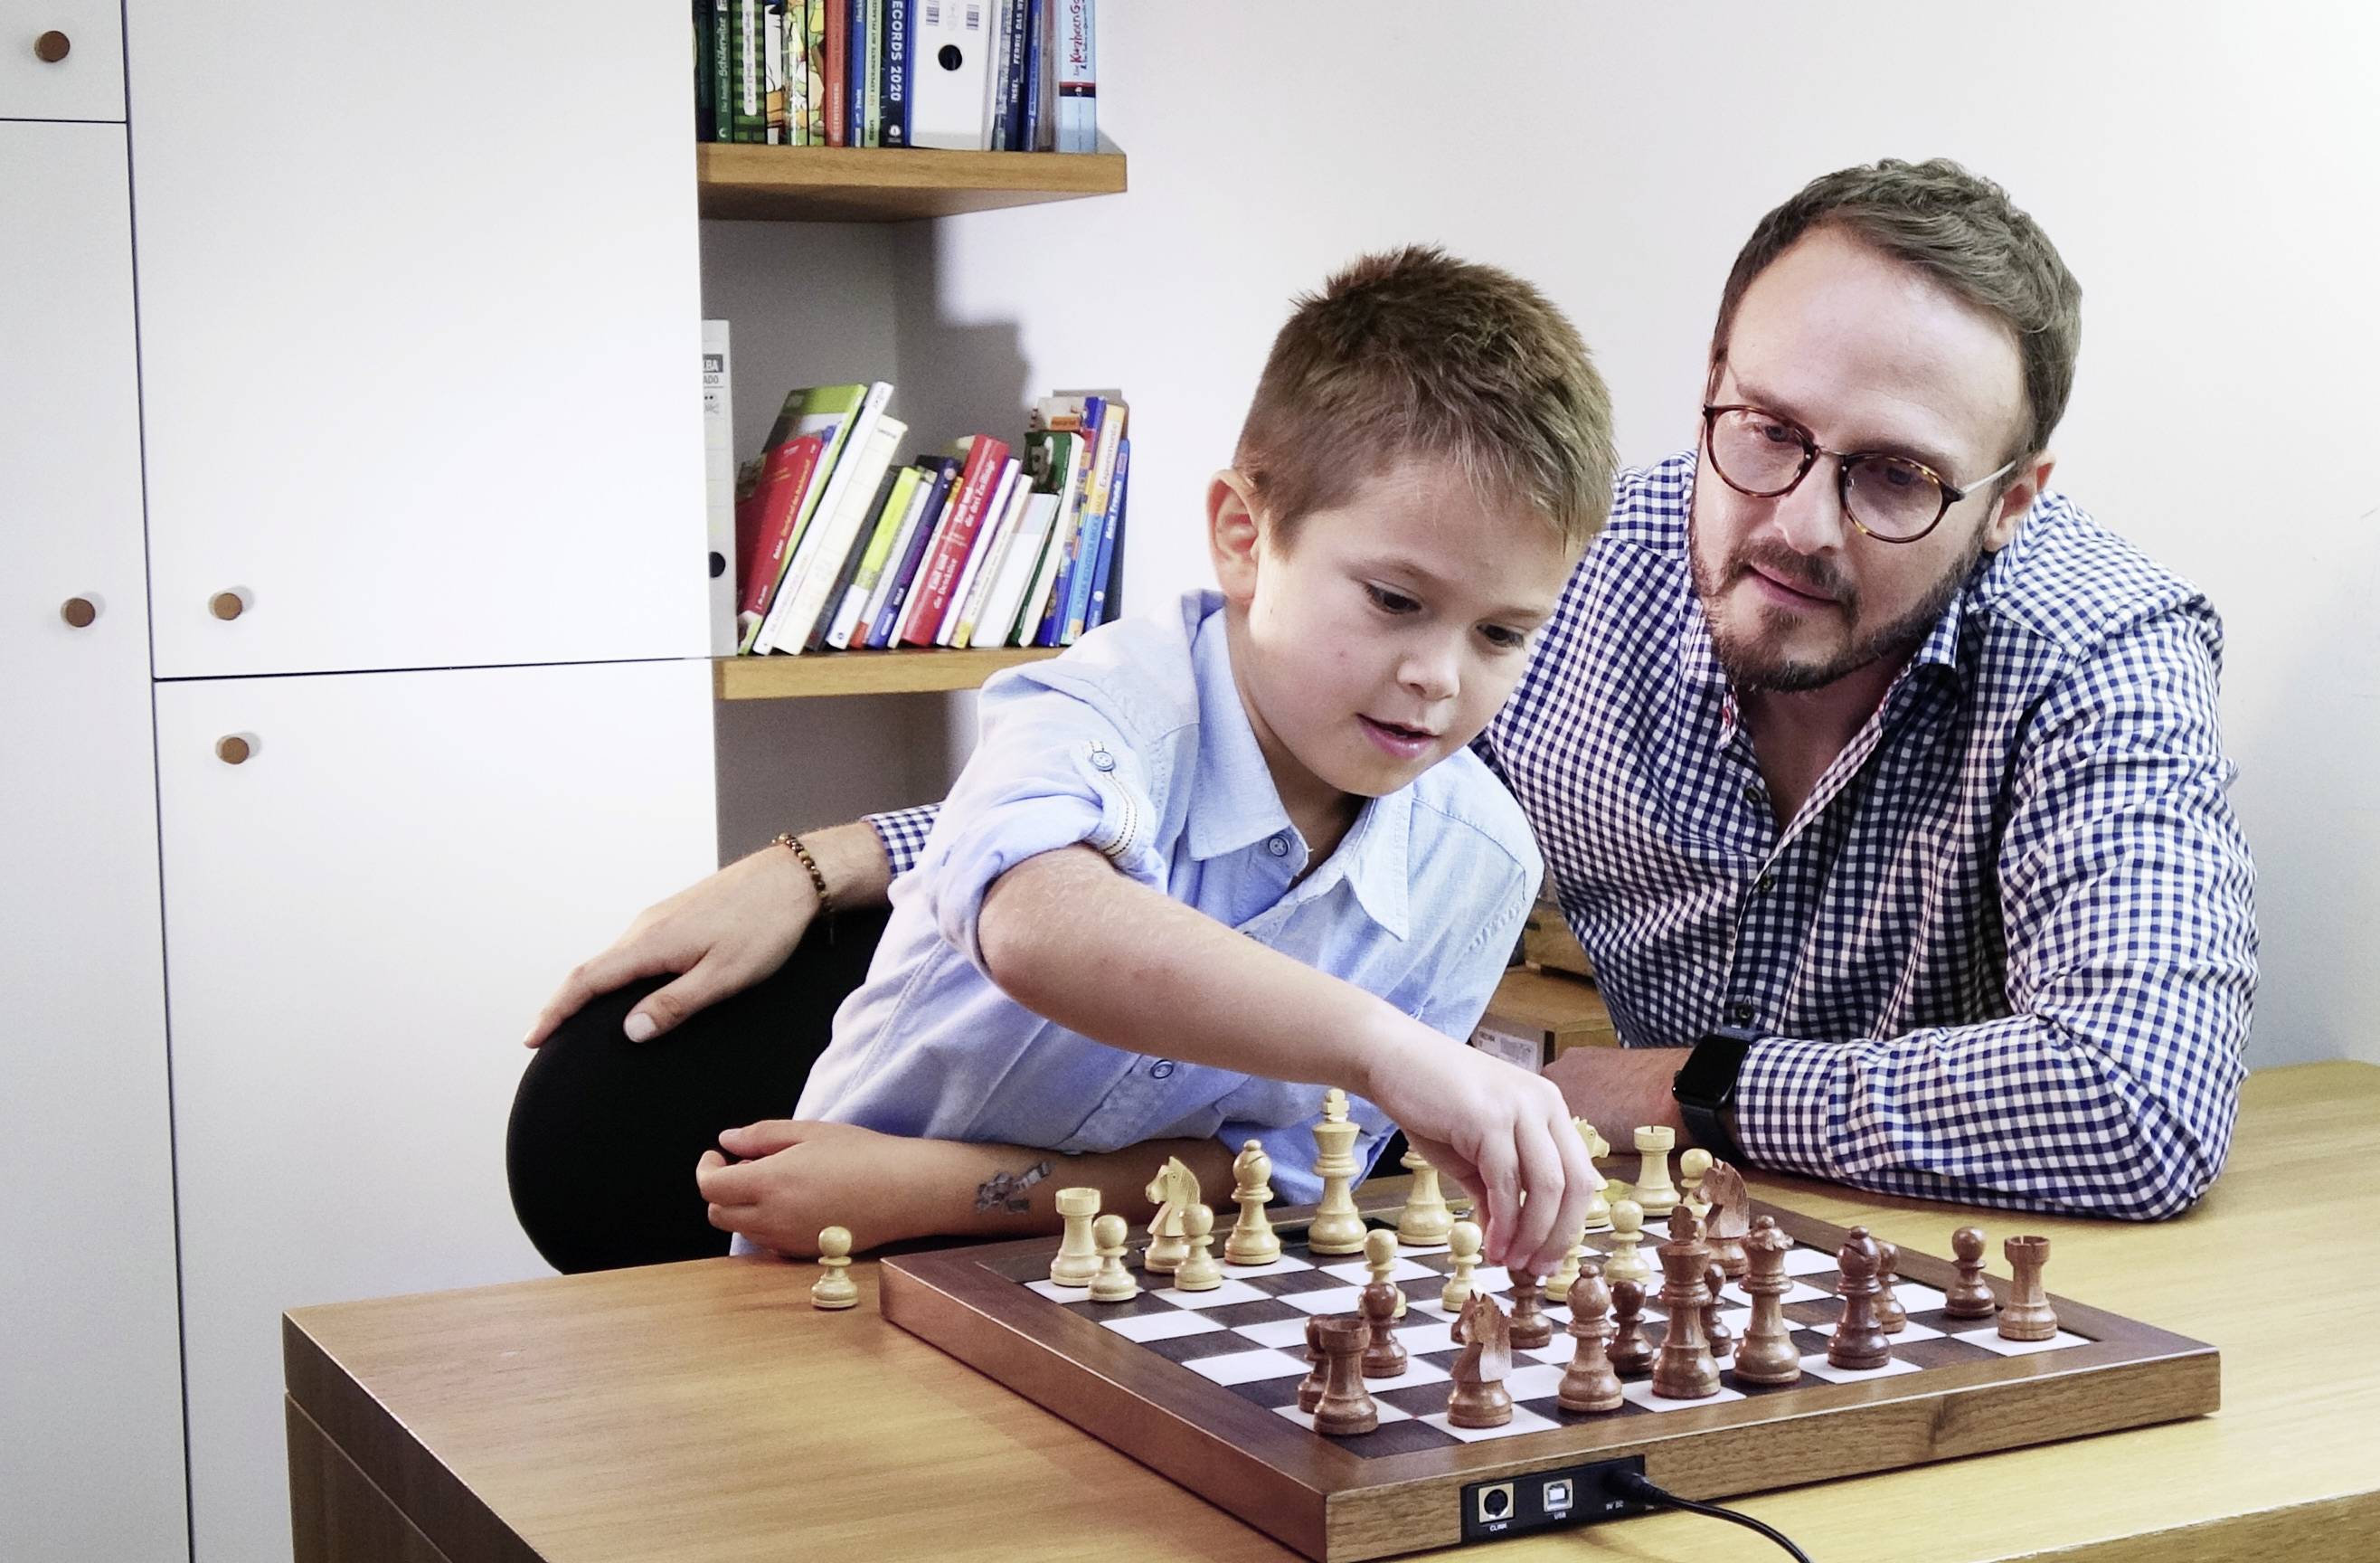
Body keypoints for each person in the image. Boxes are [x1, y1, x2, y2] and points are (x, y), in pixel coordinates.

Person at [518, 157, 2254, 1278]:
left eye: (1890, 477)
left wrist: (1649, 1086)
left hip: (1874, 1255)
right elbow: (1220, 771)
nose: (1792, 519)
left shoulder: (2097, 648)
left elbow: (2137, 1101)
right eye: (1764, 430)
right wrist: (835, 860)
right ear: (1713, 383)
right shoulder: (1592, 556)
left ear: (2010, 502)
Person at [510, 246, 1614, 1273]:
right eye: (1394, 601)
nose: (1439, 677)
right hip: (837, 1279)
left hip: (1142, 1295)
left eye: (1501, 633)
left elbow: (1275, 1178)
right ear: (1244, 535)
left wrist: (935, 1191)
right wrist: (1384, 1048)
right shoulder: (1104, 700)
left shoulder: (1481, 865)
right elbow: (1039, 921)